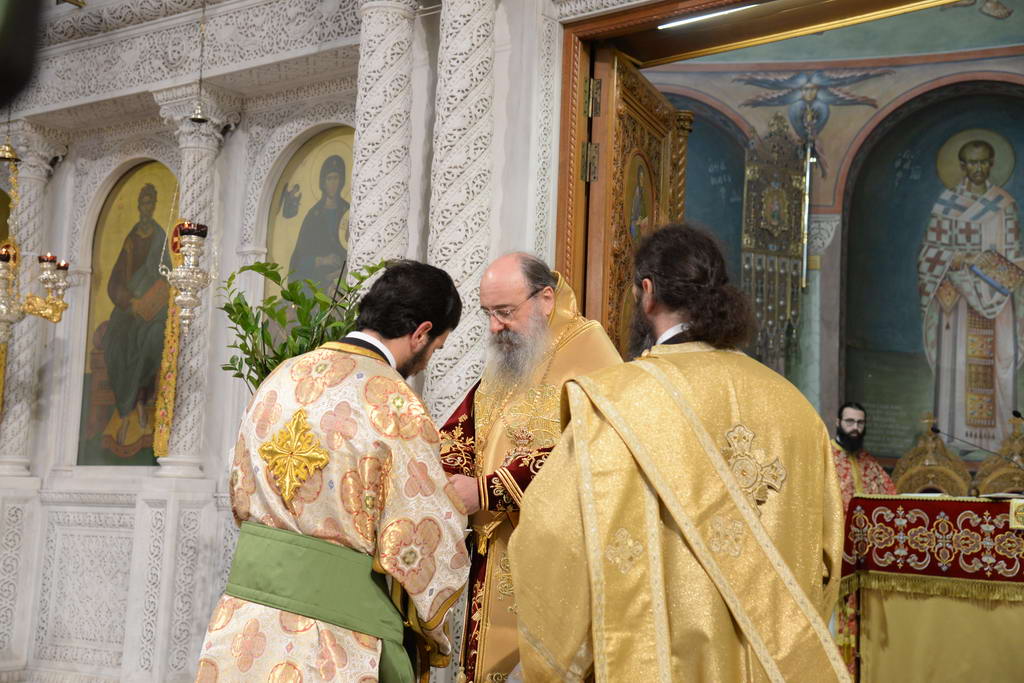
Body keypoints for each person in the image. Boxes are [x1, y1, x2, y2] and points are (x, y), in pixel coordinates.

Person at [509, 224, 848, 682]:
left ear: (647, 292)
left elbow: (553, 536)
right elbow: (828, 556)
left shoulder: (619, 401)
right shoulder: (796, 409)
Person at [197, 260, 470, 682]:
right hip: (333, 636)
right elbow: (419, 537)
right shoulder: (394, 403)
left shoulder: (281, 376)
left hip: (246, 619)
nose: (426, 362)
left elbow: (239, 484)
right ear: (421, 333)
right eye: (436, 348)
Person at [438, 253, 621, 683]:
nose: (494, 326)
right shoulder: (516, 351)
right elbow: (467, 426)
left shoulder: (590, 350)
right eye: (488, 313)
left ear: (545, 299)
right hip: (493, 550)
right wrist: (444, 473)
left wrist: (488, 490)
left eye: (505, 312)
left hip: (556, 557)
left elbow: (596, 447)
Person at [918, 139, 1022, 453]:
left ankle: (999, 440)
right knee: (959, 363)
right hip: (958, 300)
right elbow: (928, 253)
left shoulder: (1003, 204)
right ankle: (956, 436)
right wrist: (955, 259)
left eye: (984, 162)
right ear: (962, 166)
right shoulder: (947, 203)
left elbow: (1016, 256)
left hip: (996, 300)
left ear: (992, 164)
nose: (978, 168)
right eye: (972, 163)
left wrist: (990, 266)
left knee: (999, 361)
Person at [104, 182, 170, 449]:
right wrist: (129, 302)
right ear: (138, 205)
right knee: (113, 341)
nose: (146, 207)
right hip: (130, 308)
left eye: (150, 202)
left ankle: (140, 401)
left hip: (155, 310)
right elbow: (114, 282)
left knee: (152, 339)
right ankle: (125, 408)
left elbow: (168, 277)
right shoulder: (131, 239)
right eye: (143, 202)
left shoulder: (160, 237)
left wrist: (151, 302)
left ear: (154, 206)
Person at [287, 154, 350, 293]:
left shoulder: (348, 211)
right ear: (323, 182)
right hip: (318, 280)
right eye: (329, 179)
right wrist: (322, 260)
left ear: (342, 181)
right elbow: (298, 260)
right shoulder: (314, 216)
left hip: (343, 276)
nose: (333, 183)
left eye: (336, 178)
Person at [832, 402, 897, 509]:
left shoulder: (869, 461)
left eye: (860, 423)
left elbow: (890, 494)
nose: (855, 428)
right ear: (838, 422)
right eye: (850, 421)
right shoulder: (826, 456)